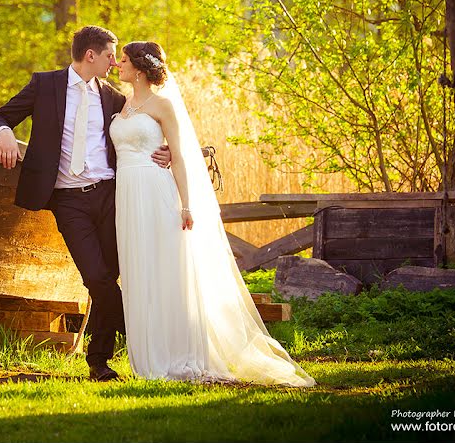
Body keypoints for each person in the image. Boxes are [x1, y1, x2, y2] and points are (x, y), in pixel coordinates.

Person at [110, 41, 315, 387]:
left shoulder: (164, 105)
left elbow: (181, 155)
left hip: (158, 193)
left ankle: (178, 354)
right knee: (138, 271)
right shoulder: (124, 103)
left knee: (167, 271)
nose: (119, 65)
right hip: (127, 195)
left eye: (125, 61)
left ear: (141, 70)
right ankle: (146, 357)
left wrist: (186, 204)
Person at [0, 25, 170, 382]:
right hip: (68, 201)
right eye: (109, 56)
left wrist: (168, 150)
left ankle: (99, 363)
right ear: (91, 55)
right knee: (97, 279)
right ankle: (144, 333)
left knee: (110, 277)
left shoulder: (114, 97)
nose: (114, 63)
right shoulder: (45, 85)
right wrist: (5, 133)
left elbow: (150, 123)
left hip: (112, 196)